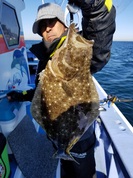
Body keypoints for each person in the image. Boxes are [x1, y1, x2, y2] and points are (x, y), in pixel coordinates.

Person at [7, 1, 116, 178]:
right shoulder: (45, 57)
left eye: (51, 22)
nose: (47, 29)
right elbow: (42, 94)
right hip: (57, 134)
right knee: (66, 170)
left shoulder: (76, 51)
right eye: (42, 26)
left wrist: (93, 6)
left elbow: (99, 40)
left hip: (80, 137)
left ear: (64, 24)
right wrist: (20, 96)